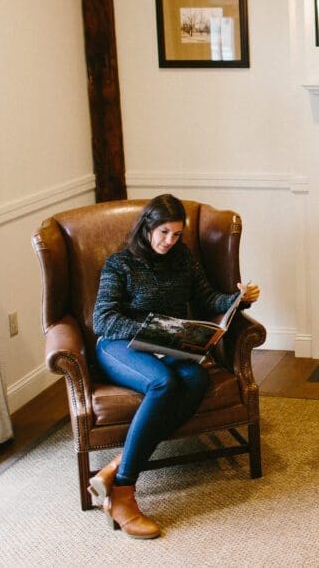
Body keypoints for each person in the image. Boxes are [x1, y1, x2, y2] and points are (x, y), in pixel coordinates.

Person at [89, 194, 260, 539]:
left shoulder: (182, 259)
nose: (170, 241)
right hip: (118, 345)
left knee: (196, 379)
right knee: (163, 383)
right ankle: (123, 492)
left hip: (164, 344)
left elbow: (208, 298)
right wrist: (150, 333)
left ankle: (117, 466)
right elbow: (102, 319)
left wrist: (237, 299)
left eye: (177, 234)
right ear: (147, 227)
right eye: (164, 232)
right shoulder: (119, 263)